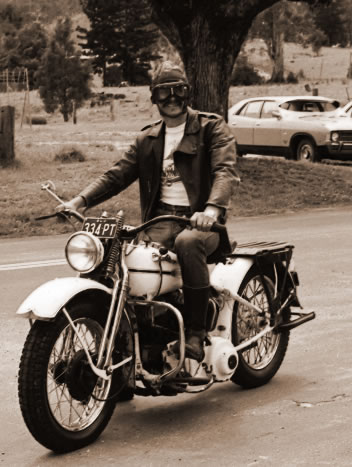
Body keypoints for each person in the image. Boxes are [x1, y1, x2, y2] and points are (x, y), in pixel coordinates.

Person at [60, 61, 240, 361]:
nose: (171, 99)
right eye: (163, 93)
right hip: (159, 221)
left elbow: (225, 171)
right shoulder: (148, 140)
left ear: (188, 93)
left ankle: (196, 333)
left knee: (188, 242)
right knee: (122, 257)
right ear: (153, 97)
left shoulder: (211, 128)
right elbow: (116, 175)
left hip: (201, 223)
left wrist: (211, 209)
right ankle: (127, 349)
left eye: (177, 91)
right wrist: (79, 201)